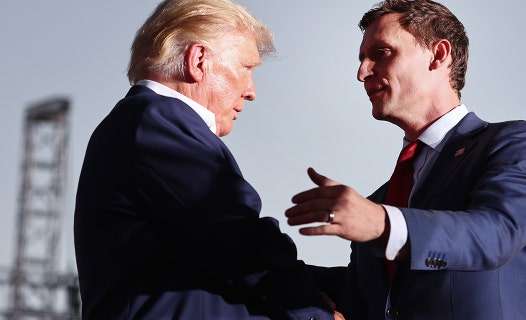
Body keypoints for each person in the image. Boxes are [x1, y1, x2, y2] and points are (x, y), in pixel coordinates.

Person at [285, 0, 526, 319]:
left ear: (438, 55)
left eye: (381, 54)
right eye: (361, 59)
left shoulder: (511, 143)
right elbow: (365, 299)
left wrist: (382, 223)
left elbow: (496, 232)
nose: (362, 73)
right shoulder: (380, 200)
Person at [73, 0, 337, 319]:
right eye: (246, 67)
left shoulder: (142, 122)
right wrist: (316, 314)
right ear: (198, 60)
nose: (251, 91)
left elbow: (213, 261)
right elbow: (238, 238)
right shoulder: (156, 119)